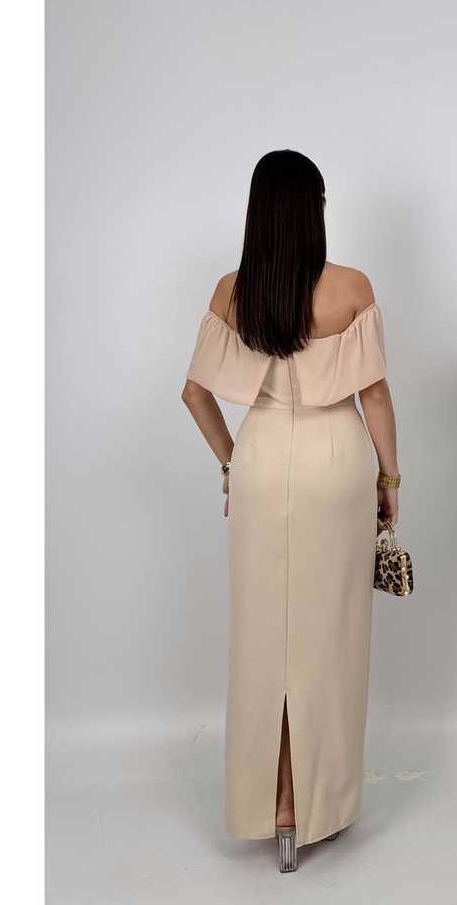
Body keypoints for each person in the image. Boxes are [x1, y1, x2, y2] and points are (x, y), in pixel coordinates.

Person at [181, 150, 400, 872]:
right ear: (315, 209)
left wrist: (231, 464)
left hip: (262, 454)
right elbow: (373, 394)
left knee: (261, 636)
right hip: (336, 463)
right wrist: (390, 477)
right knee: (328, 635)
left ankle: (270, 803)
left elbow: (195, 394)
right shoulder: (351, 288)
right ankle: (314, 804)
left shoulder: (234, 291)